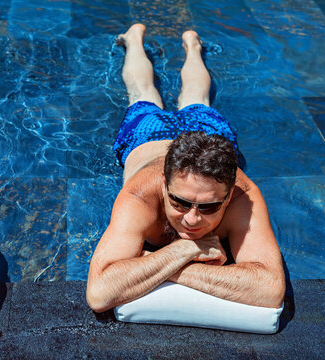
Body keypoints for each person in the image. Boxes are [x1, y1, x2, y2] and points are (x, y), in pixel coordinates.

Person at [86, 24, 285, 313]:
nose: (191, 219)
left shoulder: (245, 197)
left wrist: (163, 266)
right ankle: (133, 40)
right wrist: (186, 250)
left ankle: (193, 46)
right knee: (142, 93)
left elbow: (270, 290)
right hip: (148, 136)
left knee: (196, 97)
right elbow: (99, 294)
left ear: (228, 197)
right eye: (179, 201)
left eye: (208, 207)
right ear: (164, 186)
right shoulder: (140, 196)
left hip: (207, 139)